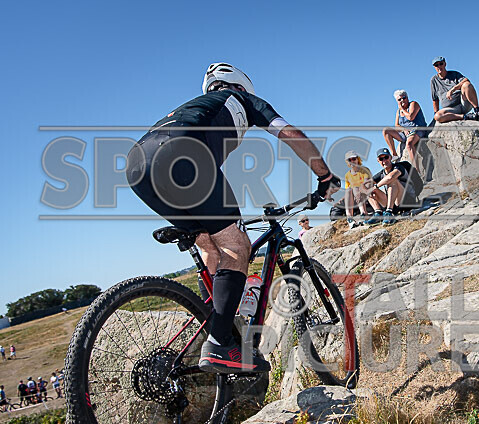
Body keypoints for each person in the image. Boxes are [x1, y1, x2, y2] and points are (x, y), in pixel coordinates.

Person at [126, 63, 340, 375]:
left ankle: (213, 321)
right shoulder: (242, 100)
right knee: (237, 246)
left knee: (211, 247)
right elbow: (290, 134)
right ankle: (219, 343)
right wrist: (324, 176)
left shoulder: (196, 108)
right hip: (183, 154)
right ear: (241, 86)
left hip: (137, 164)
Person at [365, 148, 418, 225]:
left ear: (390, 157)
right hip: (395, 204)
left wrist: (375, 186)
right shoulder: (381, 174)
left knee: (393, 181)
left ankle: (389, 211)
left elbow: (390, 177)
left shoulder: (399, 166)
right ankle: (378, 213)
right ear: (378, 160)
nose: (384, 161)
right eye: (381, 159)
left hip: (407, 200)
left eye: (386, 157)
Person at [430, 57, 479, 123]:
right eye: (436, 65)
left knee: (466, 85)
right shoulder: (433, 80)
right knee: (438, 116)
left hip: (463, 104)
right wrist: (435, 114)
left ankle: (478, 111)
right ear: (434, 67)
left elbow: (466, 80)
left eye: (441, 64)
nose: (439, 66)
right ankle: (466, 117)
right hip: (451, 110)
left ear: (445, 64)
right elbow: (435, 99)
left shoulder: (454, 74)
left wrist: (453, 89)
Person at [382, 90, 428, 165]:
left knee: (409, 144)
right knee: (386, 130)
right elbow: (397, 126)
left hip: (417, 129)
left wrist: (403, 109)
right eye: (399, 99)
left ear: (407, 98)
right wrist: (404, 129)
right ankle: (394, 154)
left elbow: (411, 117)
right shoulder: (398, 112)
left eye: (404, 98)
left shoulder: (414, 104)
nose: (402, 100)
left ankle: (416, 170)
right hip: (406, 133)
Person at [343, 151, 374, 228]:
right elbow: (347, 188)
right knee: (349, 190)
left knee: (356, 188)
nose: (352, 161)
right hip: (354, 198)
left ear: (358, 159)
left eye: (354, 159)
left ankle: (363, 213)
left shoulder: (364, 170)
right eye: (350, 160)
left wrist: (357, 189)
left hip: (366, 195)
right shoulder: (347, 175)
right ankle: (349, 217)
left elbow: (367, 183)